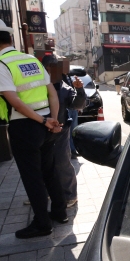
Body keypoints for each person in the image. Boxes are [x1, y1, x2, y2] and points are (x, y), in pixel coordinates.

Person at [0, 18, 68, 239]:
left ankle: (42, 224)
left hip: (26, 125)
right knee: (49, 171)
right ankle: (60, 213)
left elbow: (14, 101)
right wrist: (53, 119)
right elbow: (52, 93)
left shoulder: (0, 65)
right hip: (48, 121)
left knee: (33, 176)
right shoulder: (31, 60)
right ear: (10, 38)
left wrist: (42, 121)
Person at [42, 55, 86, 208]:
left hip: (60, 131)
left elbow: (76, 104)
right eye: (46, 70)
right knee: (42, 164)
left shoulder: (64, 88)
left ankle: (70, 195)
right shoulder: (36, 87)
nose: (50, 73)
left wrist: (79, 89)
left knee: (62, 162)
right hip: (40, 130)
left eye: (53, 70)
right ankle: (44, 193)